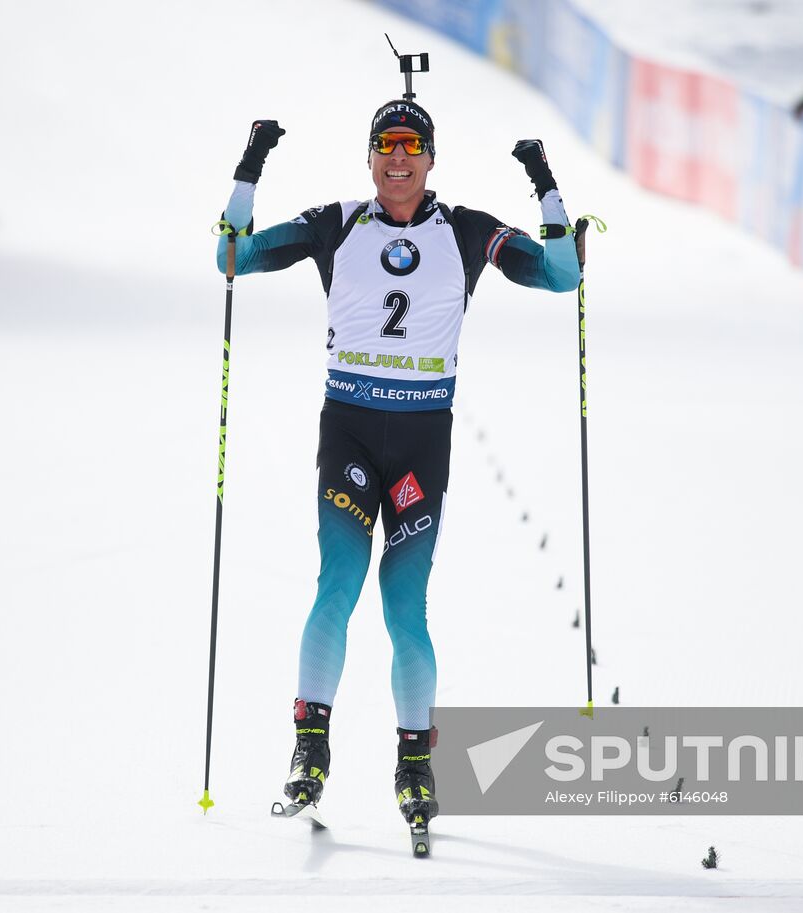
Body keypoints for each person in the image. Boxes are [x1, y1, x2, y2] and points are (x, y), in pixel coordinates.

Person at [215, 101, 580, 828]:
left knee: (403, 609)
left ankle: (415, 764)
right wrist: (249, 170)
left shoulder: (467, 231)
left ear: (432, 158)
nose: (398, 161)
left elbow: (561, 274)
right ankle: (309, 750)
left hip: (420, 442)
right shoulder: (337, 223)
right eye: (386, 147)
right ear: (370, 156)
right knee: (338, 582)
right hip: (349, 433)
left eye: (412, 148)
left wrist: (545, 184)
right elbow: (233, 256)